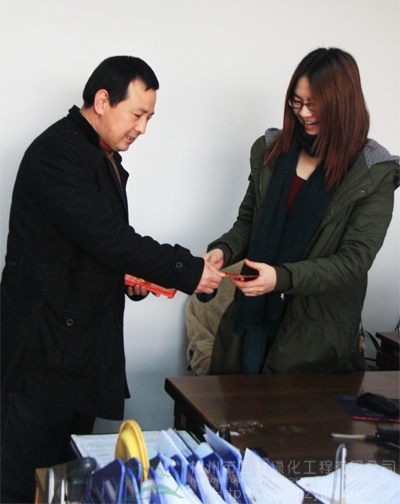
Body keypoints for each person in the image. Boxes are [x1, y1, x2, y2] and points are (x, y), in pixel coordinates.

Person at [0, 55, 223, 503]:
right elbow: (109, 238)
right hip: (42, 357)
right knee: (23, 485)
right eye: (137, 114)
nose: (143, 128)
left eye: (149, 117)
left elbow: (89, 248)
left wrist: (126, 277)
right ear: (102, 101)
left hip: (76, 355)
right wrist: (188, 269)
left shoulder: (97, 154)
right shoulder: (57, 153)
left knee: (68, 484)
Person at [204, 47, 399, 376]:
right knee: (238, 407)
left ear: (343, 103)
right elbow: (249, 223)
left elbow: (353, 262)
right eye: (297, 102)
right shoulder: (271, 151)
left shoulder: (372, 172)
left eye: (314, 103)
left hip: (316, 334)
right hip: (254, 314)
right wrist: (223, 250)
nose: (304, 112)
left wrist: (281, 278)